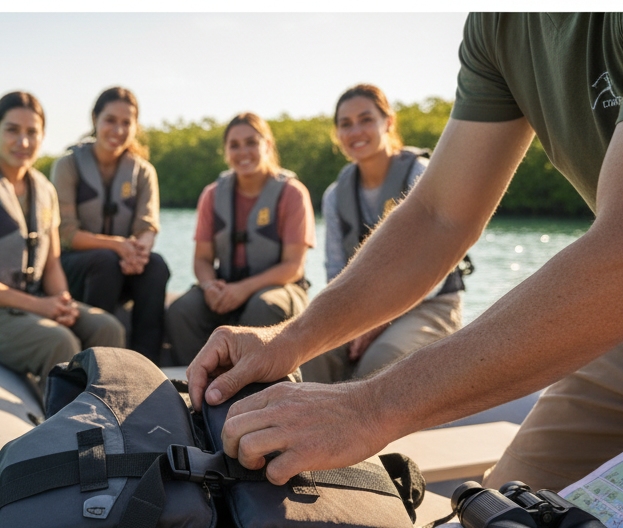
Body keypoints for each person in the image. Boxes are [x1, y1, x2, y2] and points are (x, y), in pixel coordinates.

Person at [187, 13, 623, 494]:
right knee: (506, 525)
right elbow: (438, 216)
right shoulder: (497, 26)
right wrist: (289, 338)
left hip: (622, 298)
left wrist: (369, 408)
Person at [0, 90, 124, 395]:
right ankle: (63, 435)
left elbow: (51, 265)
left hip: (30, 303)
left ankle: (107, 420)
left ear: (42, 136)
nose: (23, 142)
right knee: (58, 341)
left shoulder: (45, 190)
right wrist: (39, 307)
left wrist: (61, 303)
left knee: (107, 327)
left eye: (32, 132)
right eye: (12, 130)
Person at [301, 84, 465, 383]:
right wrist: (343, 323)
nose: (355, 131)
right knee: (311, 356)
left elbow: (437, 270)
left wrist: (378, 322)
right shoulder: (335, 196)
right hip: (362, 312)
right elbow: (336, 274)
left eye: (366, 119)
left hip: (430, 306)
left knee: (379, 360)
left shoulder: (421, 175)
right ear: (337, 134)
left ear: (388, 122)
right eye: (345, 124)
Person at [165, 112, 315, 366]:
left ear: (267, 145)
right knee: (182, 310)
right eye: (234, 145)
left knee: (263, 306)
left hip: (280, 288)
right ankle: (199, 382)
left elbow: (293, 266)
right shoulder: (212, 195)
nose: (243, 151)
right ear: (225, 152)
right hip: (227, 285)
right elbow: (202, 259)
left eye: (251, 142)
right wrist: (211, 287)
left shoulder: (292, 194)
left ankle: (254, 385)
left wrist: (243, 289)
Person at [50, 87, 170, 364]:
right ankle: (94, 358)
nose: (118, 130)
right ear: (95, 119)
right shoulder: (67, 166)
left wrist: (139, 253)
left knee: (156, 266)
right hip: (77, 268)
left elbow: (147, 226)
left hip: (123, 264)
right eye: (110, 120)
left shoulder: (143, 172)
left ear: (135, 126)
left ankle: (145, 362)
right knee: (105, 260)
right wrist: (117, 246)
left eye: (126, 123)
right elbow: (65, 234)